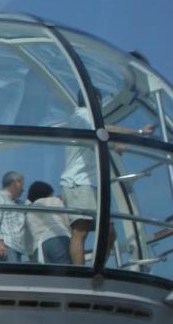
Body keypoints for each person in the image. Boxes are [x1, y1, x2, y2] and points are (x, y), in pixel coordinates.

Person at [60, 88, 154, 265]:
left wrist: (116, 140)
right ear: (94, 99)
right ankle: (81, 274)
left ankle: (97, 270)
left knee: (109, 233)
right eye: (99, 100)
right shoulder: (82, 116)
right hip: (79, 182)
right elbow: (104, 131)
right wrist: (138, 132)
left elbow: (101, 134)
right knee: (81, 230)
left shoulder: (88, 119)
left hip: (93, 184)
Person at [26, 181, 71, 264]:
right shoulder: (55, 201)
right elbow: (67, 222)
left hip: (39, 247)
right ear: (48, 192)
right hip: (58, 238)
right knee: (66, 273)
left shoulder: (29, 210)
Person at [0, 170, 26, 262]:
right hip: (6, 246)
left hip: (17, 249)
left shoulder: (18, 203)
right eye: (22, 185)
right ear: (16, 183)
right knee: (11, 275)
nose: (23, 189)